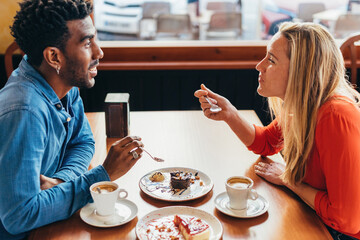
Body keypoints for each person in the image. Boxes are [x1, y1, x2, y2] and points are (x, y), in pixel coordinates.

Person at [195, 22, 360, 240]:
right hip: (316, 216)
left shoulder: (335, 115)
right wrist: (230, 114)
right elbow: (266, 142)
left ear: (301, 71)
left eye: (271, 60)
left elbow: (346, 219)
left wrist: (289, 181)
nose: (259, 66)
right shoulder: (301, 106)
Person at [0, 0, 144, 239]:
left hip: (50, 222)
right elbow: (19, 216)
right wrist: (101, 176)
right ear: (54, 57)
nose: (99, 52)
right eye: (87, 43)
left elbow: (83, 143)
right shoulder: (25, 111)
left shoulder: (62, 84)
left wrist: (60, 181)